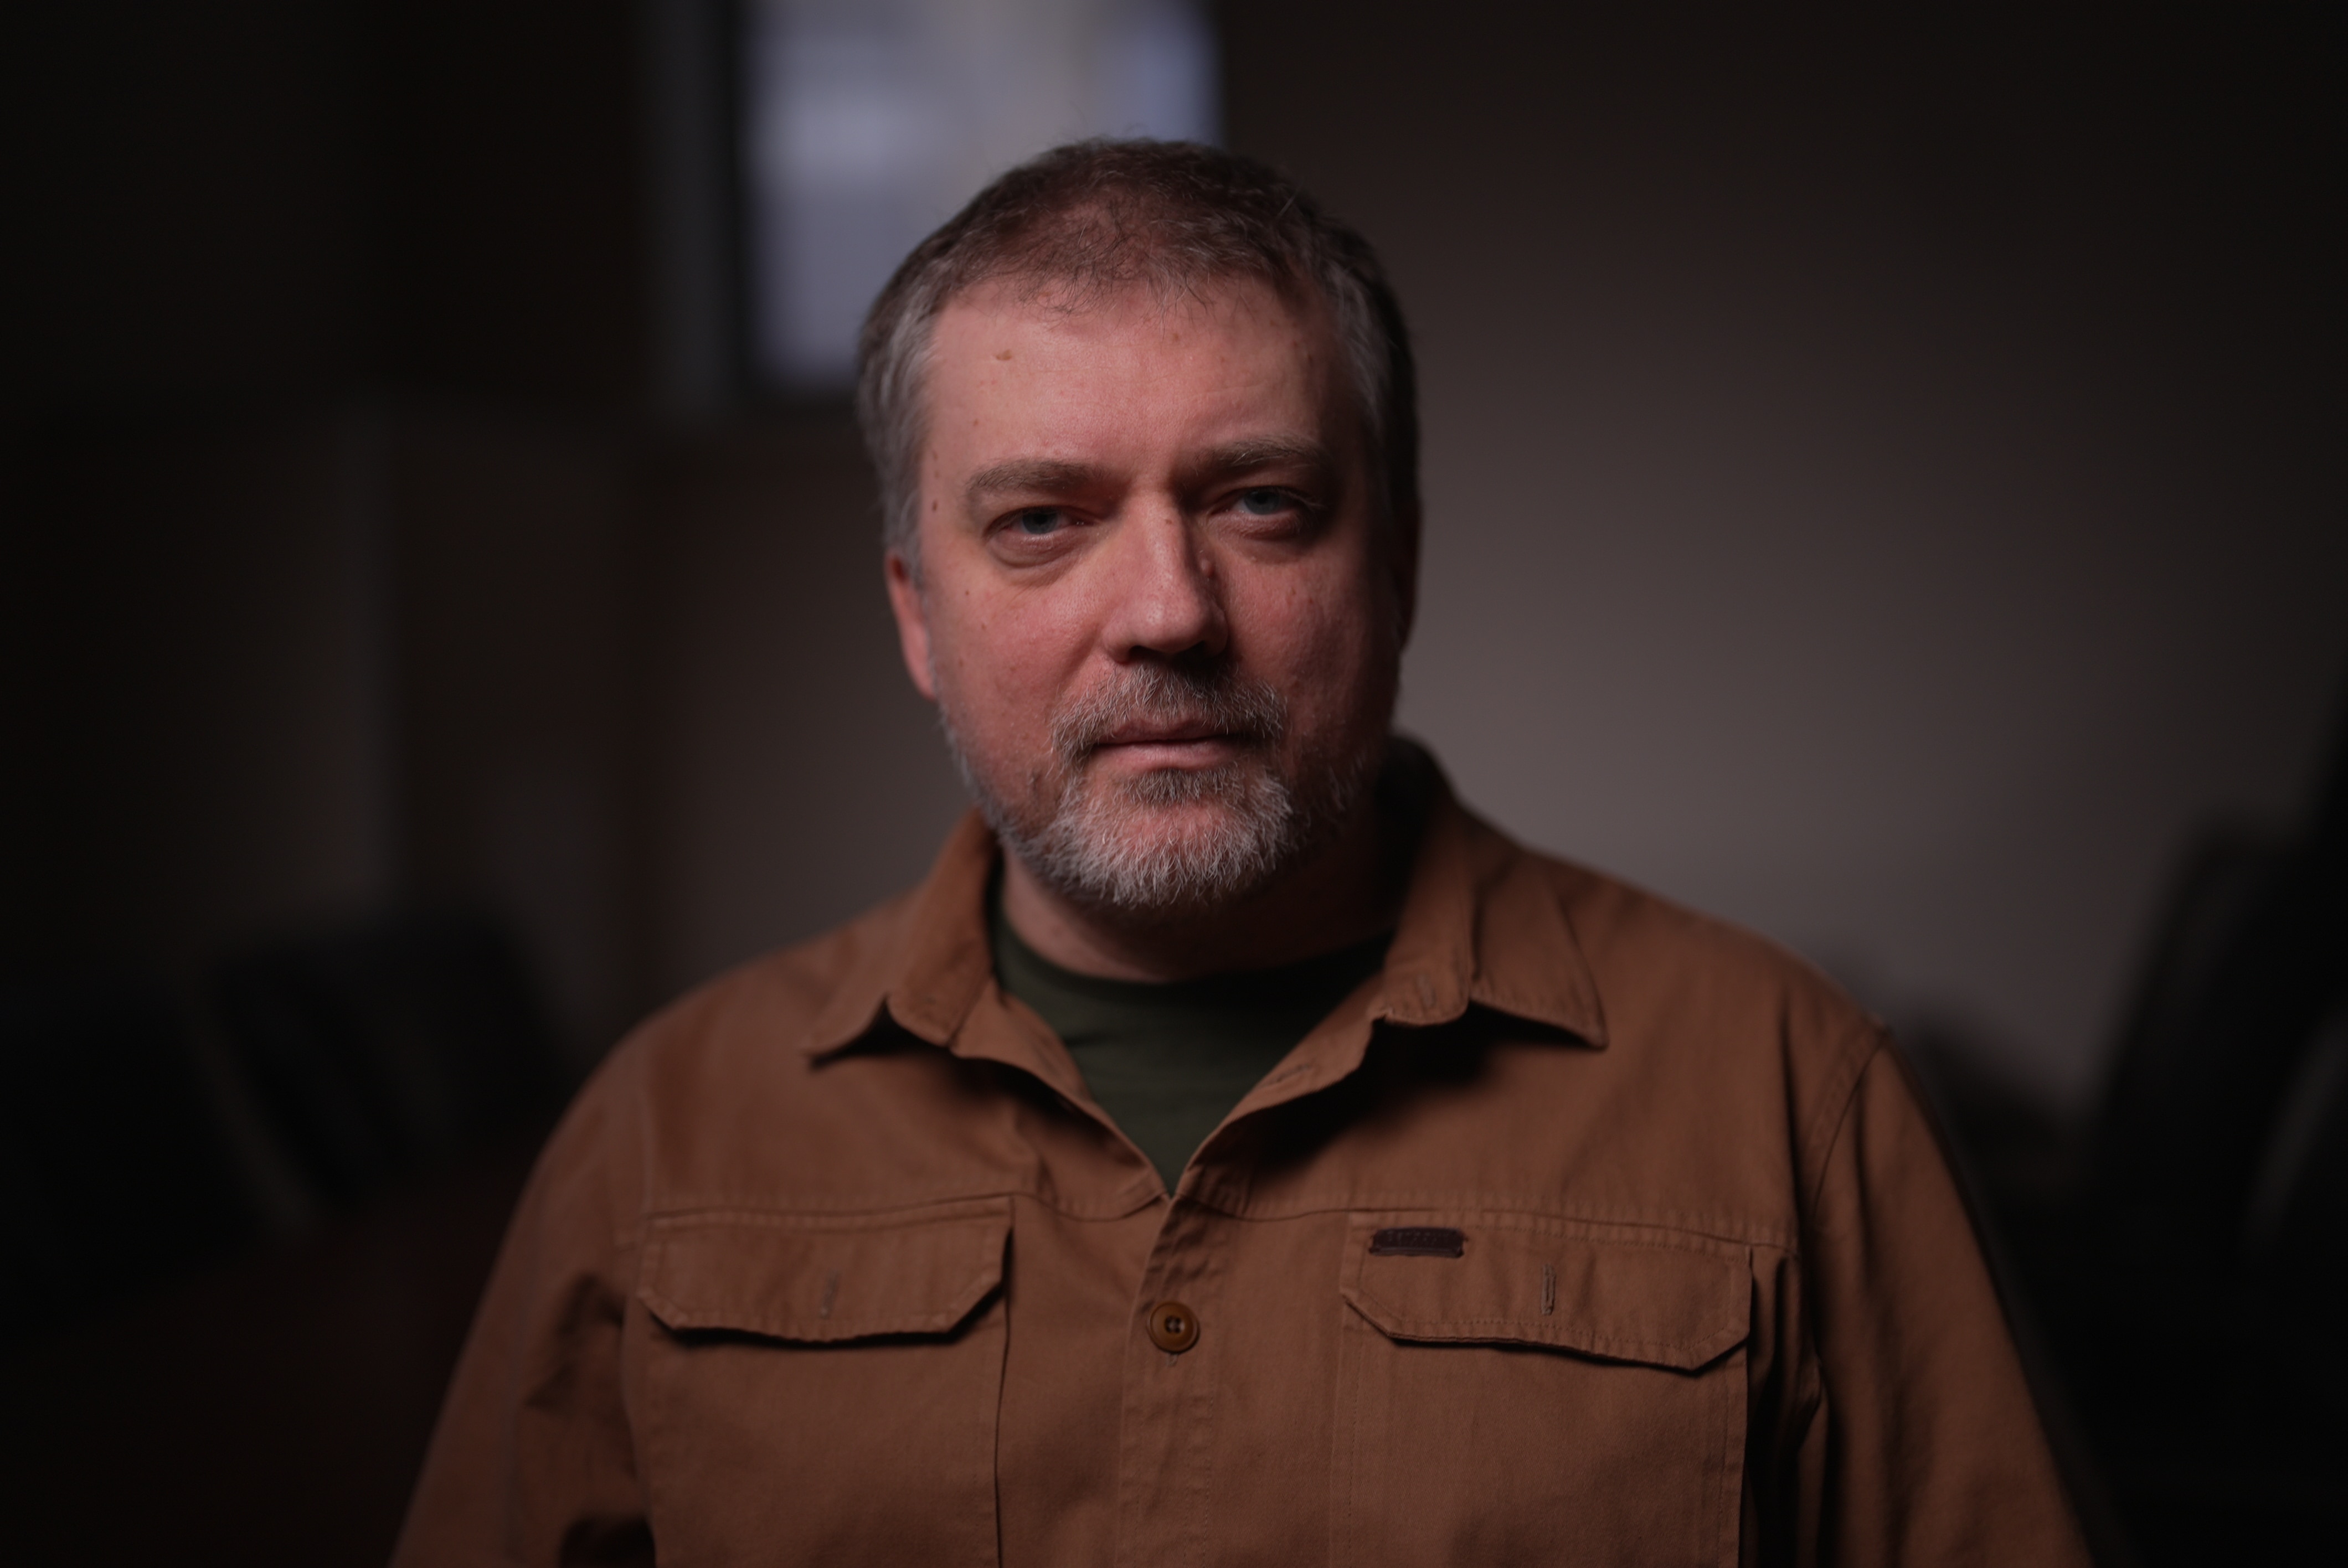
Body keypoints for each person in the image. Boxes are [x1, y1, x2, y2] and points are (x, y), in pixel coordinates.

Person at [394, 140, 2090, 1566]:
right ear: (918, 611)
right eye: (1043, 521)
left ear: (1401, 567)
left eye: (1263, 501)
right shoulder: (659, 1140)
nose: (1166, 614)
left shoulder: (1789, 1094)